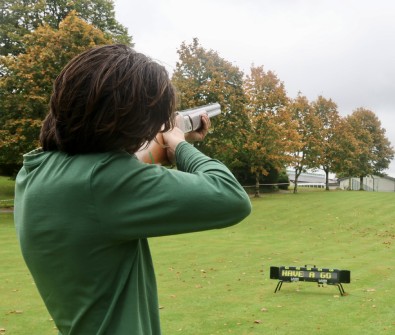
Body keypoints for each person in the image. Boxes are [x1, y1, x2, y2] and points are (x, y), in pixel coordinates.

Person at [14, 44, 251, 335]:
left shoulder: (35, 171)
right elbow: (230, 196)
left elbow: (113, 170)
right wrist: (179, 143)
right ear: (128, 122)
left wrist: (162, 146)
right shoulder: (103, 182)